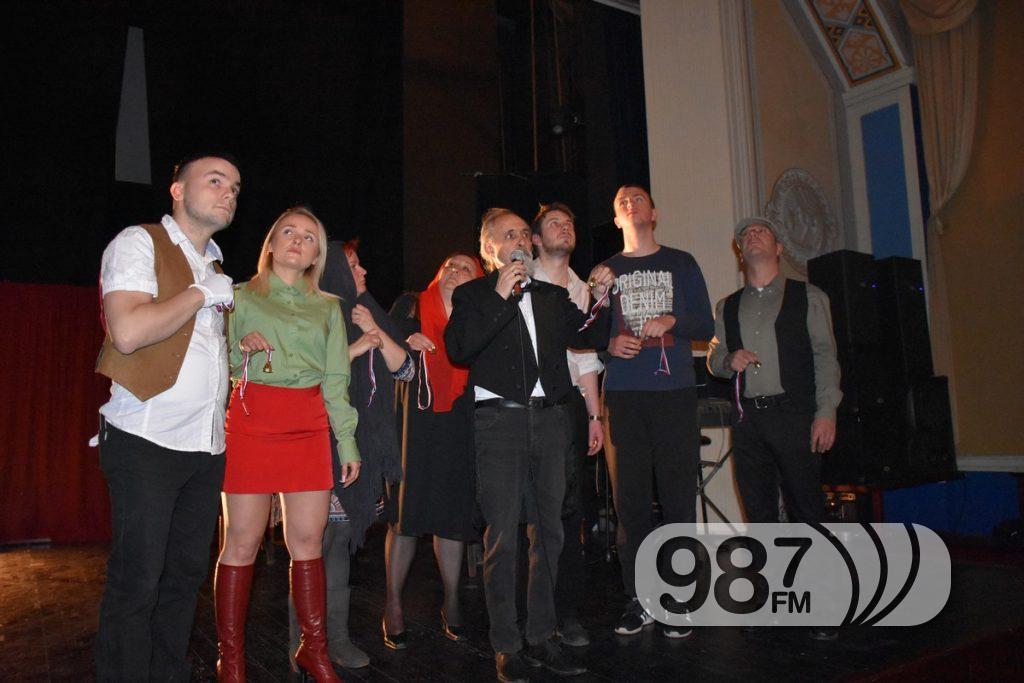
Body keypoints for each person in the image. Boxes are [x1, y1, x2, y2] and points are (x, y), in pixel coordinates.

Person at [446, 208, 614, 683]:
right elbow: (459, 349)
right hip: (499, 421)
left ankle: (542, 636)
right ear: (489, 249)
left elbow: (591, 336)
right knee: (502, 535)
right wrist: (501, 295)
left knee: (551, 532)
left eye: (524, 232)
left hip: (552, 420)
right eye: (509, 234)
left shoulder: (551, 295)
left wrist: (602, 297)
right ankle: (507, 643)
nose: (520, 239)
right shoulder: (473, 294)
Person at [93, 153, 240, 681]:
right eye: (215, 181)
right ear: (177, 190)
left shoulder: (217, 268)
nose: (229, 192)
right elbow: (128, 332)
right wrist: (200, 294)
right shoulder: (140, 242)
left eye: (235, 187)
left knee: (183, 579)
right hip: (146, 440)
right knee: (138, 581)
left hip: (205, 446)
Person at [214, 207, 359, 683]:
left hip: (309, 424)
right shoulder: (237, 296)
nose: (298, 240)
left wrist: (347, 442)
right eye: (288, 232)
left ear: (317, 254)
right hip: (253, 420)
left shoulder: (329, 307)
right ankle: (231, 660)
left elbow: (336, 378)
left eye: (309, 236)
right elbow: (217, 363)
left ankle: (312, 649)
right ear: (272, 244)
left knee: (308, 542)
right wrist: (240, 348)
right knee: (242, 542)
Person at [706, 218, 841, 639]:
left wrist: (827, 412)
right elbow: (714, 358)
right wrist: (728, 361)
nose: (752, 235)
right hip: (748, 420)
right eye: (745, 235)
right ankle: (767, 602)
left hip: (796, 414)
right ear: (739, 252)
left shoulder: (809, 296)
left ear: (779, 248)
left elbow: (825, 356)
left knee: (807, 511)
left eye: (761, 231)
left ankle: (818, 605)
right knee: (759, 514)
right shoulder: (726, 306)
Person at [287, 239, 412, 669]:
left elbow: (405, 367)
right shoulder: (311, 309)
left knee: (339, 543)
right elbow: (297, 370)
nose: (363, 273)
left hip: (356, 444)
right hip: (313, 439)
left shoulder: (365, 309)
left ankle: (334, 640)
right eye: (353, 266)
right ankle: (302, 644)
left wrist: (375, 330)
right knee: (312, 545)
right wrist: (355, 348)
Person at [601, 184, 714, 638]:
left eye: (639, 198)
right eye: (622, 201)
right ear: (616, 219)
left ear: (654, 212)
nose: (631, 203)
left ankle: (678, 596)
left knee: (677, 498)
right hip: (624, 396)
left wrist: (673, 321)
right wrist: (609, 345)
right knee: (629, 503)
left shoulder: (681, 262)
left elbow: (705, 323)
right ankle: (639, 598)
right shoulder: (605, 271)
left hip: (674, 393)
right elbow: (587, 332)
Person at [382, 252, 484, 649]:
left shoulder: (478, 312)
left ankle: (453, 600)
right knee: (406, 514)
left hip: (459, 419)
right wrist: (406, 340)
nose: (455, 271)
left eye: (466, 268)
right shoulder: (411, 303)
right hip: (414, 421)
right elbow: (381, 342)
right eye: (449, 266)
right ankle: (393, 604)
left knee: (452, 514)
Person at [529, 203, 604, 647]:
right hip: (525, 406)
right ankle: (529, 612)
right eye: (555, 223)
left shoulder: (581, 289)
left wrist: (594, 416)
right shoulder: (518, 279)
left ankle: (566, 611)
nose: (565, 227)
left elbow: (587, 358)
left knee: (571, 511)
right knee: (528, 515)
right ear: (536, 239)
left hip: (569, 407)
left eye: (570, 222)